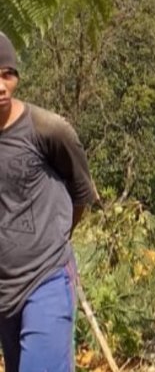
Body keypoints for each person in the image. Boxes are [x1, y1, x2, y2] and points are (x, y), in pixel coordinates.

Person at [0, 32, 97, 371]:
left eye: (7, 74)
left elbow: (81, 194)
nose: (1, 85)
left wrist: (54, 238)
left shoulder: (48, 130)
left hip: (46, 275)